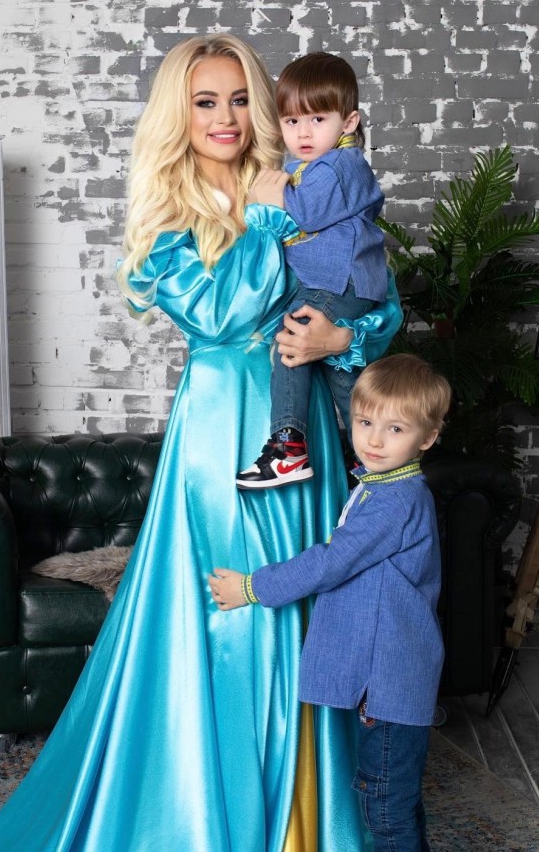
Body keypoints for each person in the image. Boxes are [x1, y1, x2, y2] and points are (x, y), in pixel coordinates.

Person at [0, 34, 402, 851]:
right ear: (179, 114)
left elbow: (378, 296)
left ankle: (311, 819)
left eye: (239, 98)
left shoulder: (311, 178)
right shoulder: (170, 209)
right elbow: (222, 315)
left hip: (307, 428)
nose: (225, 116)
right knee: (241, 616)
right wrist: (266, 217)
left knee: (313, 602)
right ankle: (227, 817)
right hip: (225, 436)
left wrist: (341, 339)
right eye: (204, 102)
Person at [211, 353, 452, 852]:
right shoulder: (382, 487)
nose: (374, 440)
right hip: (389, 678)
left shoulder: (395, 500)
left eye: (395, 429)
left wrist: (252, 587)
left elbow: (330, 562)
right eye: (365, 423)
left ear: (427, 438)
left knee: (386, 808)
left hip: (390, 682)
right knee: (395, 802)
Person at [236, 52, 389, 491]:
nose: (303, 132)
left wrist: (266, 196)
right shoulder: (309, 166)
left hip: (339, 280)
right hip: (340, 282)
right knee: (341, 374)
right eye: (291, 121)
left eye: (317, 119)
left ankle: (288, 446)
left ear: (348, 122)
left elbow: (303, 213)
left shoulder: (339, 165)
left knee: (292, 341)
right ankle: (373, 460)